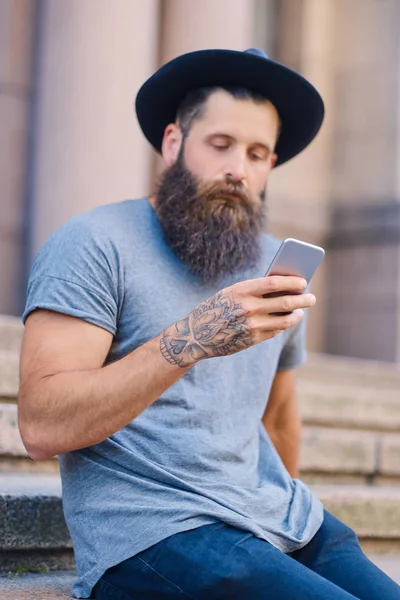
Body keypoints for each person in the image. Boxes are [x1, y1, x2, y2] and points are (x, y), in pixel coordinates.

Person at [18, 48, 400, 600]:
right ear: (173, 142)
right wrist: (191, 339)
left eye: (258, 153)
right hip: (157, 533)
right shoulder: (94, 242)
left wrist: (278, 503)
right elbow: (40, 427)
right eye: (220, 145)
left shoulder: (273, 264)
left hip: (282, 522)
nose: (238, 170)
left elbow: (278, 414)